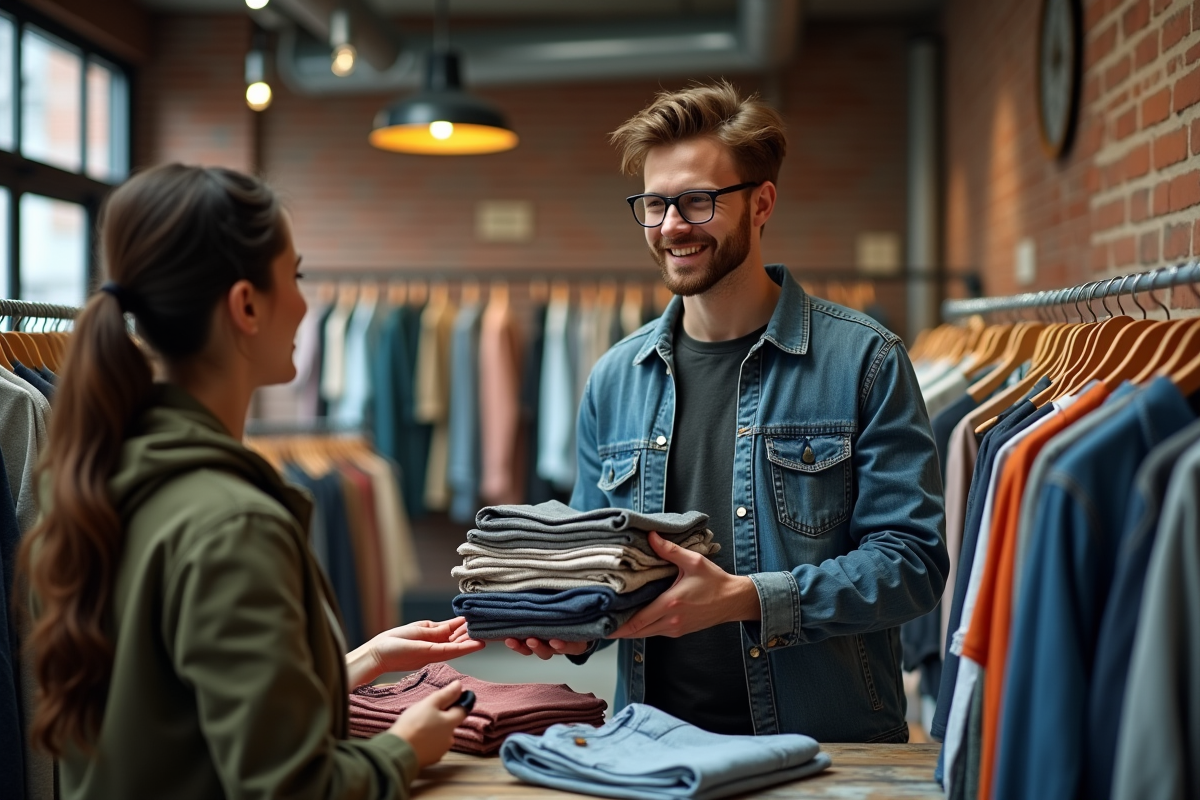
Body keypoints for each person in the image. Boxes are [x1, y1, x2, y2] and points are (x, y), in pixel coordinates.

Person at [16, 164, 486, 799]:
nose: (303, 302)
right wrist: (404, 749)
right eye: (294, 276)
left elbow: (168, 715)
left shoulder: (97, 478)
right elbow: (289, 788)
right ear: (245, 305)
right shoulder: (231, 521)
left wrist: (361, 661)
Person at [506, 81, 948, 743]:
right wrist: (565, 625)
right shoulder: (613, 380)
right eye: (654, 205)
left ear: (761, 202)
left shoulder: (866, 361)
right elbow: (600, 565)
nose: (671, 226)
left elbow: (912, 564)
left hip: (818, 749)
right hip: (652, 750)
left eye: (697, 201)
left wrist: (746, 599)